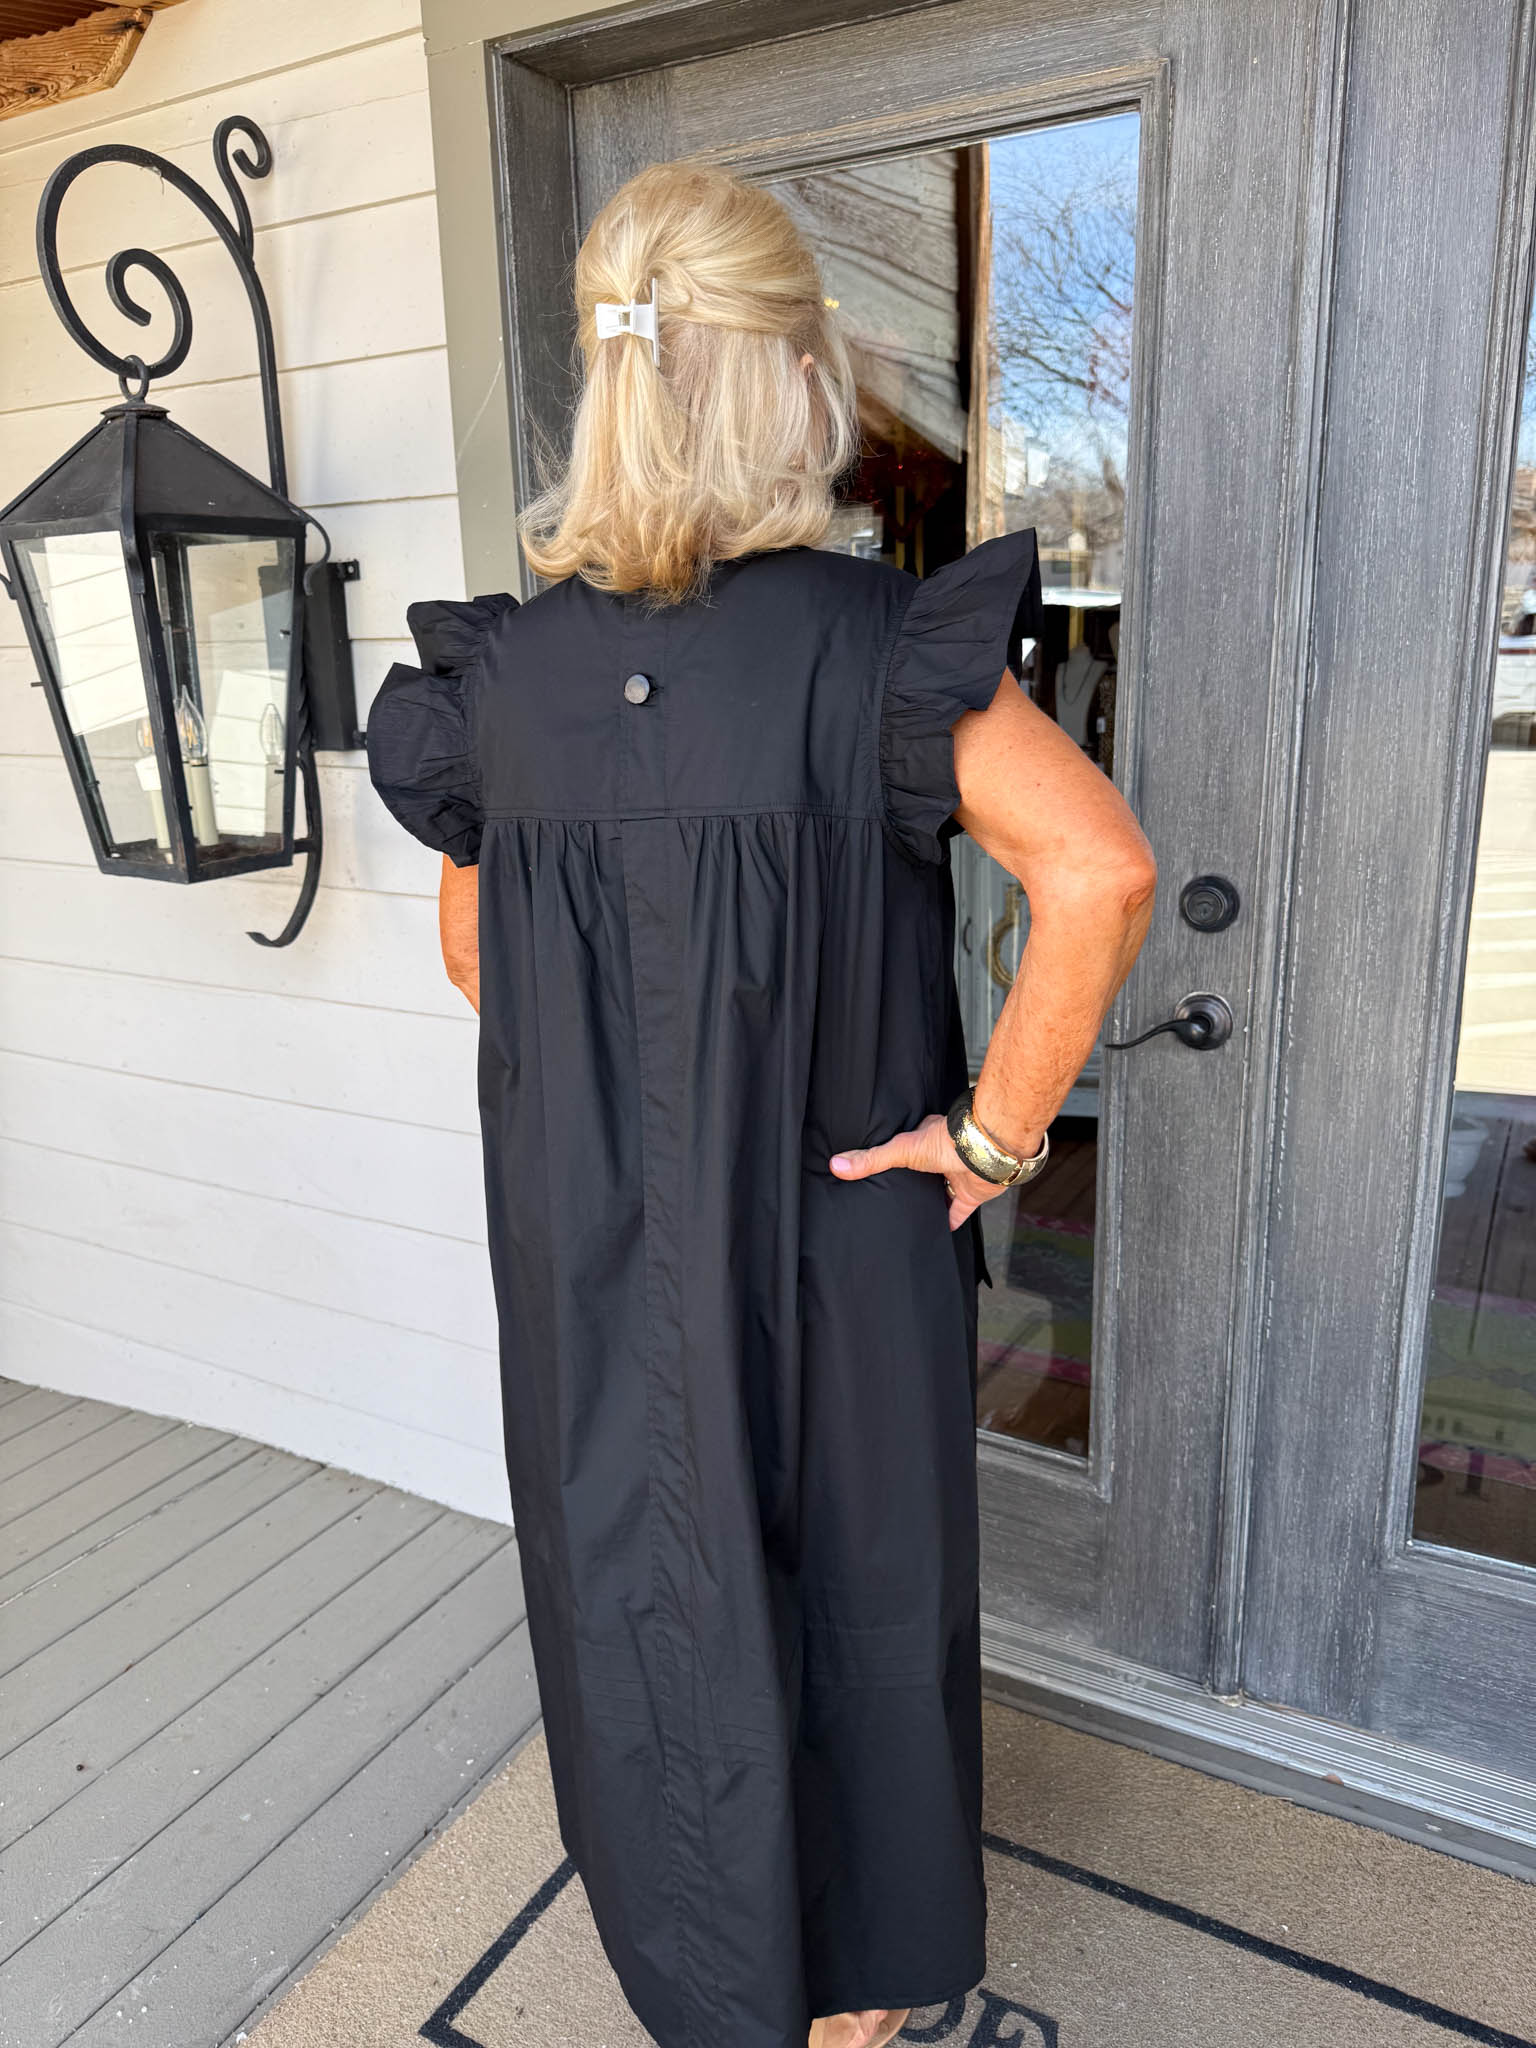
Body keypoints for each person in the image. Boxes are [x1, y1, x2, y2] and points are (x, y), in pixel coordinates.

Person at [367, 160, 1155, 2048]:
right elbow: (1101, 874)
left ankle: (707, 1985)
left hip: (592, 1242)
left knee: (637, 1581)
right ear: (799, 375)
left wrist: (625, 1094)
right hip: (836, 1224)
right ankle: (850, 2005)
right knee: (857, 1589)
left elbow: (478, 959)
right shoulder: (877, 651)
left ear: (609, 380)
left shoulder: (501, 681)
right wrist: (991, 1140)